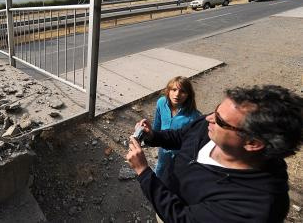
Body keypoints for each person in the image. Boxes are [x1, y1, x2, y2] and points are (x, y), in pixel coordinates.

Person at [126, 85, 303, 222]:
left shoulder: (255, 208)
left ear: (253, 143)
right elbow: (182, 136)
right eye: (216, 110)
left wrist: (144, 173)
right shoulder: (212, 125)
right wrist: (153, 136)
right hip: (165, 196)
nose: (208, 118)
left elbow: (180, 217)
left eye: (219, 120)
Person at [152, 76, 200, 179]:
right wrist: (151, 136)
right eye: (174, 90)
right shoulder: (161, 102)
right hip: (163, 148)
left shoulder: (194, 117)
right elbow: (157, 123)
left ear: (188, 95)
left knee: (175, 176)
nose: (177, 94)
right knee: (160, 170)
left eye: (182, 91)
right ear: (168, 91)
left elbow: (194, 142)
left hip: (180, 154)